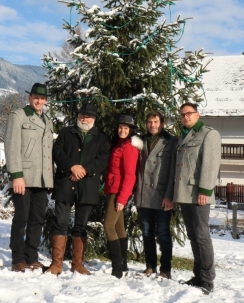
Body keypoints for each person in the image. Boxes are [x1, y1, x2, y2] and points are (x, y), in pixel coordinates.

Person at [47, 103, 109, 275]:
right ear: (78, 116)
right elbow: (57, 152)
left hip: (87, 187)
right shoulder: (66, 133)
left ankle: (77, 264)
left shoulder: (101, 138)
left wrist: (84, 170)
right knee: (60, 223)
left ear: (94, 119)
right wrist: (71, 167)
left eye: (88, 116)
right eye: (82, 115)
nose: (85, 118)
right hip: (65, 184)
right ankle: (56, 264)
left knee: (81, 226)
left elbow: (103, 159)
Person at [4, 83, 53, 272]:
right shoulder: (18, 116)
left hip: (41, 179)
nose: (39, 101)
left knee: (37, 219)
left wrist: (49, 179)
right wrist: (16, 176)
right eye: (35, 97)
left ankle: (32, 257)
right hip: (23, 178)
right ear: (29, 98)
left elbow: (47, 152)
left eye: (42, 98)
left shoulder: (48, 121)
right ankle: (18, 258)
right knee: (21, 218)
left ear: (46, 101)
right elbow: (11, 147)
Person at [173, 102, 221, 294]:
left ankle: (208, 280)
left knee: (202, 237)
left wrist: (205, 191)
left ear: (197, 114)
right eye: (183, 114)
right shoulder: (183, 136)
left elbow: (210, 164)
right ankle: (198, 275)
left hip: (199, 194)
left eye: (189, 114)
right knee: (193, 236)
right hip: (185, 194)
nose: (185, 117)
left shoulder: (209, 134)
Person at [134, 111, 177, 279]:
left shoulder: (171, 141)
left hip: (162, 196)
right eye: (150, 122)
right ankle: (150, 266)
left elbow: (173, 171)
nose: (153, 125)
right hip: (145, 195)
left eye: (156, 122)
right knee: (146, 233)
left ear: (162, 123)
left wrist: (169, 195)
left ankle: (166, 269)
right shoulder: (141, 141)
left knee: (164, 233)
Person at [104, 115, 143, 279]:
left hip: (117, 191)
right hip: (112, 188)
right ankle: (124, 263)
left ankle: (117, 266)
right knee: (119, 227)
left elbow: (130, 176)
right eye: (120, 127)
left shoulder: (128, 147)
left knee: (108, 226)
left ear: (130, 130)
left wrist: (122, 198)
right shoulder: (120, 144)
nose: (122, 130)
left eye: (126, 128)